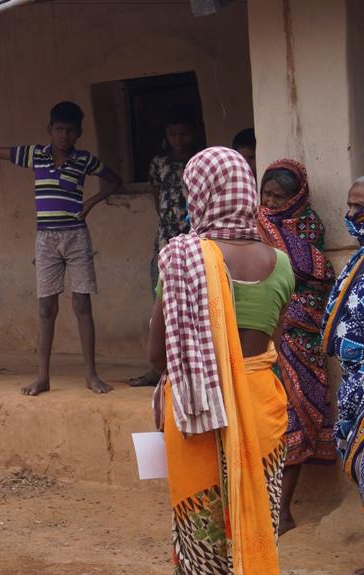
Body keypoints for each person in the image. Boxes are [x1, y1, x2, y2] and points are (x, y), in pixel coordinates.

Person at [148, 147, 293, 574]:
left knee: (204, 539)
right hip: (262, 409)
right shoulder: (281, 263)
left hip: (199, 413)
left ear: (201, 194)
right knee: (255, 522)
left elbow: (157, 356)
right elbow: (274, 345)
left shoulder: (183, 260)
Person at [0, 101, 124, 396]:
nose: (64, 136)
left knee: (82, 304)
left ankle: (91, 375)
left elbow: (115, 180)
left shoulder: (85, 160)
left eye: (70, 131)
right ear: (50, 130)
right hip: (45, 239)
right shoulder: (35, 155)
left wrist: (91, 202)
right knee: (46, 307)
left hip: (76, 237)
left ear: (79, 133)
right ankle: (42, 377)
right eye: (59, 129)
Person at [257, 159, 336, 535]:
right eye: (266, 194)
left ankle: (283, 511)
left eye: (278, 196)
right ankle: (263, 508)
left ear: (297, 197)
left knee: (295, 416)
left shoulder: (309, 226)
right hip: (260, 334)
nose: (270, 202)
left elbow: (321, 278)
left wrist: (287, 313)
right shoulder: (252, 224)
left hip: (298, 336)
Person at [130, 105, 198, 387]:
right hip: (165, 240)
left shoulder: (198, 160)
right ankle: (160, 369)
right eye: (173, 134)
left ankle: (191, 366)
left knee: (194, 305)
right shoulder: (159, 162)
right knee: (159, 304)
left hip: (195, 238)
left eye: (183, 134)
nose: (178, 140)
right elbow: (156, 194)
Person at [322, 177, 364, 575]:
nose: (352, 217)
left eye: (360, 209)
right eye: (350, 207)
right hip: (357, 387)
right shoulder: (359, 259)